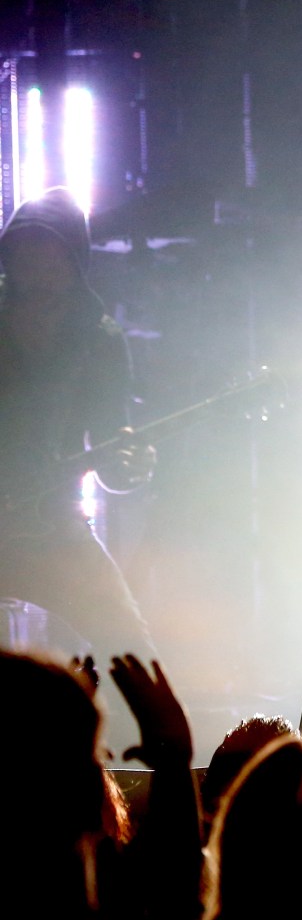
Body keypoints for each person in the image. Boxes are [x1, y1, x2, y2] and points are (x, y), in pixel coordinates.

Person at [0, 186, 155, 657]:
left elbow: (110, 453)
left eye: (48, 254)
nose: (34, 267)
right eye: (24, 253)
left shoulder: (99, 340)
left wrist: (132, 466)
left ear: (73, 265)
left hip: (53, 529)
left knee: (134, 657)